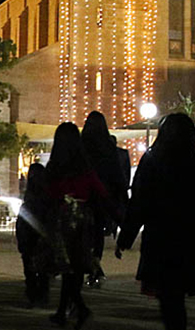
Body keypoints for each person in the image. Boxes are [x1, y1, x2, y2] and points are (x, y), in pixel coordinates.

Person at [117, 113, 195, 330]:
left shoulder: (152, 163)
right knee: (176, 298)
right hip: (191, 243)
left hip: (161, 241)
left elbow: (139, 204)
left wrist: (125, 237)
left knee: (169, 299)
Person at [44, 122, 110, 328]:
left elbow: (48, 194)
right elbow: (101, 192)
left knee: (66, 268)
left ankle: (78, 309)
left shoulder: (55, 168)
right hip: (82, 221)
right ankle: (66, 311)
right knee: (75, 268)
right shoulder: (84, 167)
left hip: (61, 220)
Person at [81, 110, 131, 287]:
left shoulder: (81, 146)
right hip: (102, 198)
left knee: (83, 233)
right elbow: (117, 175)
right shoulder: (108, 148)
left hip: (83, 198)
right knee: (97, 233)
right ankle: (95, 263)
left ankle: (91, 266)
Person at [16, 162, 51, 307]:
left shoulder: (32, 196)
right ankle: (40, 294)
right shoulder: (46, 194)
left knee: (31, 265)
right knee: (41, 267)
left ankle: (34, 294)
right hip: (39, 231)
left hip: (31, 231)